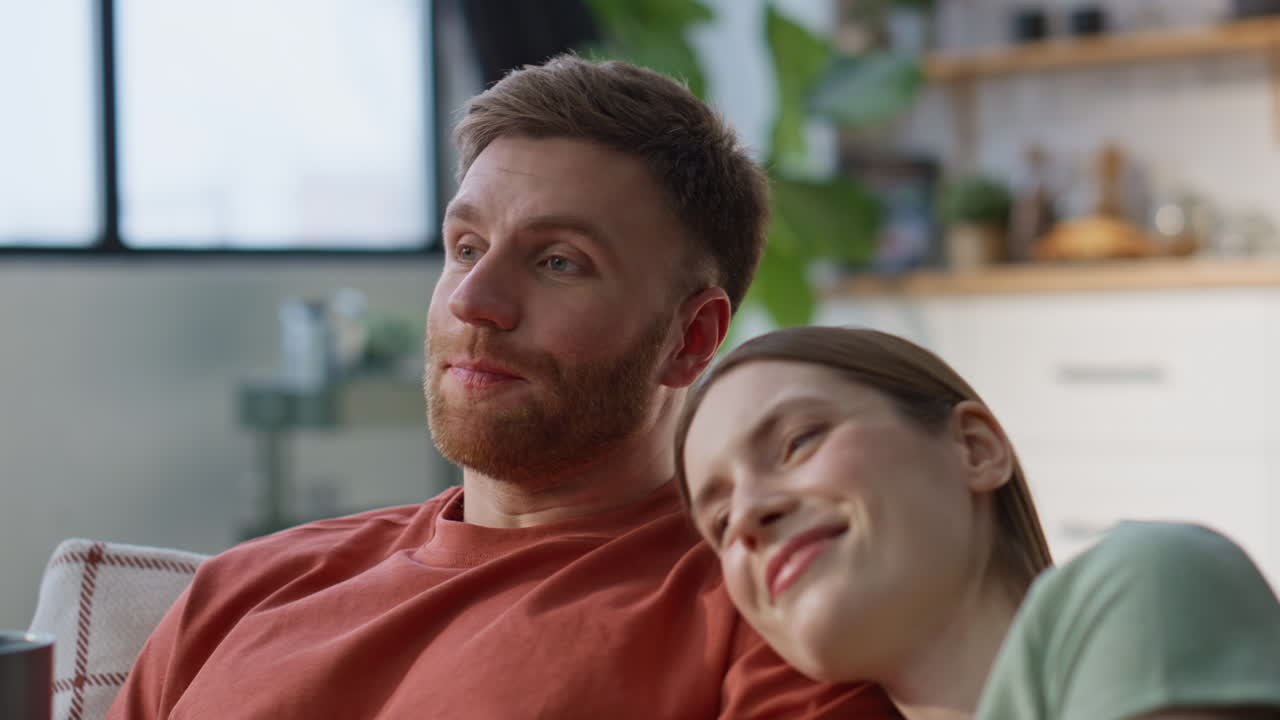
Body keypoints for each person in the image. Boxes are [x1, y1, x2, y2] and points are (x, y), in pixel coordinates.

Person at [106, 56, 900, 719]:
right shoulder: (244, 590)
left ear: (690, 338)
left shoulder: (766, 619)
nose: (473, 301)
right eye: (464, 246)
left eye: (559, 261)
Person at [676, 326, 1280, 720]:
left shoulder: (1145, 584)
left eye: (799, 441)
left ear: (974, 448)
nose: (750, 515)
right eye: (721, 521)